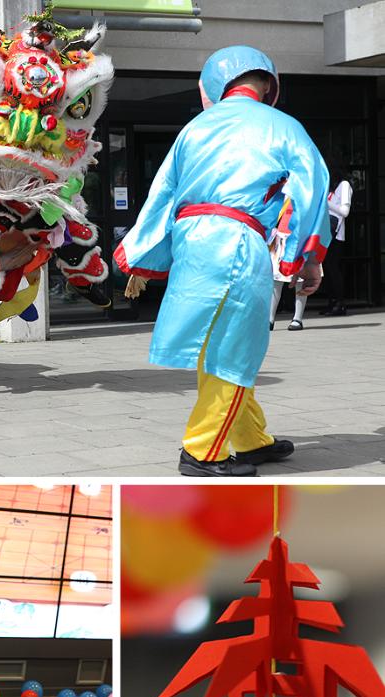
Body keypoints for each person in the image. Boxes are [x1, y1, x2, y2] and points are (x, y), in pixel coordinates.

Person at [116, 45, 331, 477]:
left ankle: (251, 440)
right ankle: (201, 450)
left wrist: (143, 251)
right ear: (269, 85)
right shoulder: (283, 126)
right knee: (236, 348)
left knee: (217, 345)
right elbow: (312, 190)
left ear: (213, 85)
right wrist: (305, 259)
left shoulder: (193, 128)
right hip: (237, 238)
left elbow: (163, 194)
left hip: (193, 241)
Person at [269, 197, 309, 331]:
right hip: (281, 237)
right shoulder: (283, 191)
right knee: (276, 279)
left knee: (301, 281)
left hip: (300, 238)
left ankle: (297, 318)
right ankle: (270, 318)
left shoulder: (307, 191)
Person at [320, 167, 353, 317]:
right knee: (328, 269)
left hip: (337, 234)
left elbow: (345, 211)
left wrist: (326, 203)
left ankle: (340, 303)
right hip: (327, 233)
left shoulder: (344, 185)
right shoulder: (333, 188)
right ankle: (332, 302)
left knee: (334, 269)